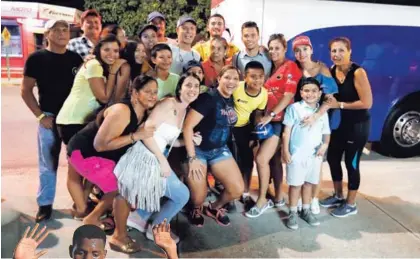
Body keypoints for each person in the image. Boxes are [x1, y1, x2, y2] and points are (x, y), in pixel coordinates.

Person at [112, 73, 200, 250]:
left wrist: (188, 141)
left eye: (196, 86)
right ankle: (156, 229)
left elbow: (165, 139)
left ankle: (139, 217)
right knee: (182, 194)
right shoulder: (168, 104)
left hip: (155, 156)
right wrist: (162, 161)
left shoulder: (184, 110)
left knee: (167, 193)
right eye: (188, 85)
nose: (192, 89)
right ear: (180, 87)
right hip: (145, 157)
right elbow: (146, 132)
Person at [66, 75, 157, 231]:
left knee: (117, 179)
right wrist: (135, 136)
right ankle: (91, 218)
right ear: (135, 93)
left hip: (102, 156)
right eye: (148, 92)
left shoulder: (144, 111)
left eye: (155, 92)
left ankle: (88, 208)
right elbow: (100, 145)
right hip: (84, 152)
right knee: (117, 186)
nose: (153, 96)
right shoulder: (122, 111)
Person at [21, 20, 83, 222]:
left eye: (65, 30)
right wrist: (40, 116)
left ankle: (80, 201)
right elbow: (26, 91)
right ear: (47, 34)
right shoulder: (36, 59)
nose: (62, 33)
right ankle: (45, 204)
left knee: (79, 163)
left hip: (74, 119)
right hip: (49, 118)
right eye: (56, 30)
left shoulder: (76, 58)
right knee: (48, 164)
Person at [183, 66, 244, 227]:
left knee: (237, 190)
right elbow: (188, 127)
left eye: (235, 79)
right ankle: (195, 207)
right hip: (198, 151)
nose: (231, 82)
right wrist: (192, 158)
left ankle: (213, 208)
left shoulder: (229, 98)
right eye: (227, 77)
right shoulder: (208, 98)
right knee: (198, 197)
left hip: (219, 150)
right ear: (219, 79)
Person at [320, 37, 373, 217]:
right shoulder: (333, 71)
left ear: (350, 52)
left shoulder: (358, 73)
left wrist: (339, 105)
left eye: (341, 50)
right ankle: (338, 195)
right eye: (334, 51)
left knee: (352, 163)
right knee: (333, 158)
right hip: (340, 125)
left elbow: (367, 103)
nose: (337, 54)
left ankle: (350, 204)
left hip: (357, 126)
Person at [292, 35, 339, 214]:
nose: (301, 53)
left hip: (318, 124)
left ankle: (313, 200)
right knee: (300, 162)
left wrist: (316, 116)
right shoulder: (294, 69)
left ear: (311, 49)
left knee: (316, 163)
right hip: (300, 124)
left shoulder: (322, 69)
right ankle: (299, 199)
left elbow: (330, 98)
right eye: (297, 50)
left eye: (304, 48)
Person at [255, 34, 302, 211]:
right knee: (274, 160)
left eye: (277, 48)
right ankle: (278, 196)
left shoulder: (290, 67)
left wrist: (271, 114)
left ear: (285, 49)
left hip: (280, 121)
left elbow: (288, 95)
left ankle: (261, 200)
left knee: (261, 159)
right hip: (270, 120)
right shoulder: (271, 68)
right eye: (271, 48)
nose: (274, 51)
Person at [56, 35, 127, 146]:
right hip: (74, 121)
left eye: (115, 51)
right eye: (106, 50)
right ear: (99, 50)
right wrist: (113, 72)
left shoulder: (101, 66)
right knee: (81, 160)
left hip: (80, 121)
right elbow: (104, 98)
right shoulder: (94, 65)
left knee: (80, 160)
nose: (112, 54)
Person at [282, 77, 331, 230]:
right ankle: (292, 212)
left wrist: (325, 145)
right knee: (295, 185)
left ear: (319, 93)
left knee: (309, 183)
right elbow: (287, 131)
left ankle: (306, 210)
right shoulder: (294, 108)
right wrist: (286, 151)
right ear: (301, 93)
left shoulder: (322, 112)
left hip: (314, 156)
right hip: (297, 155)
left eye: (314, 91)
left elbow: (326, 132)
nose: (310, 94)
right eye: (307, 91)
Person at [226, 61, 268, 218]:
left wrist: (254, 134)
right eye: (253, 77)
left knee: (248, 162)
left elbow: (258, 114)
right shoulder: (236, 87)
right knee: (231, 163)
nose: (257, 80)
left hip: (245, 129)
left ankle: (244, 192)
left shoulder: (263, 94)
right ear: (245, 76)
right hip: (228, 128)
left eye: (261, 77)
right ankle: (229, 195)